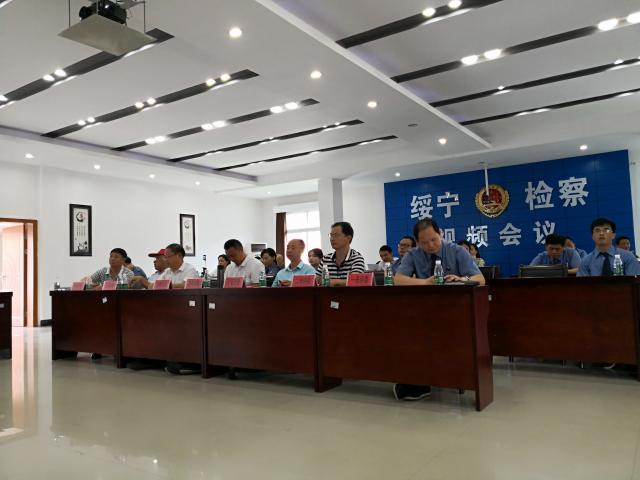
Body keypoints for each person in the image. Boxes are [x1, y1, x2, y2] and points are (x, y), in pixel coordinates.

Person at [393, 218, 484, 401]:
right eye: (424, 242)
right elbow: (398, 279)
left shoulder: (456, 251)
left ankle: (441, 377)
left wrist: (461, 279)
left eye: (434, 239)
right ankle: (420, 379)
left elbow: (480, 279)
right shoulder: (413, 254)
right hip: (425, 312)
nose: (430, 245)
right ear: (417, 242)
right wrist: (425, 282)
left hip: (456, 312)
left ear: (440, 233)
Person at [322, 221, 366, 286]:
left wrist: (334, 282)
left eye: (336, 235)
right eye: (331, 235)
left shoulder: (356, 258)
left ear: (348, 238)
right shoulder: (325, 258)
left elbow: (355, 281)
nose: (332, 239)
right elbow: (316, 281)